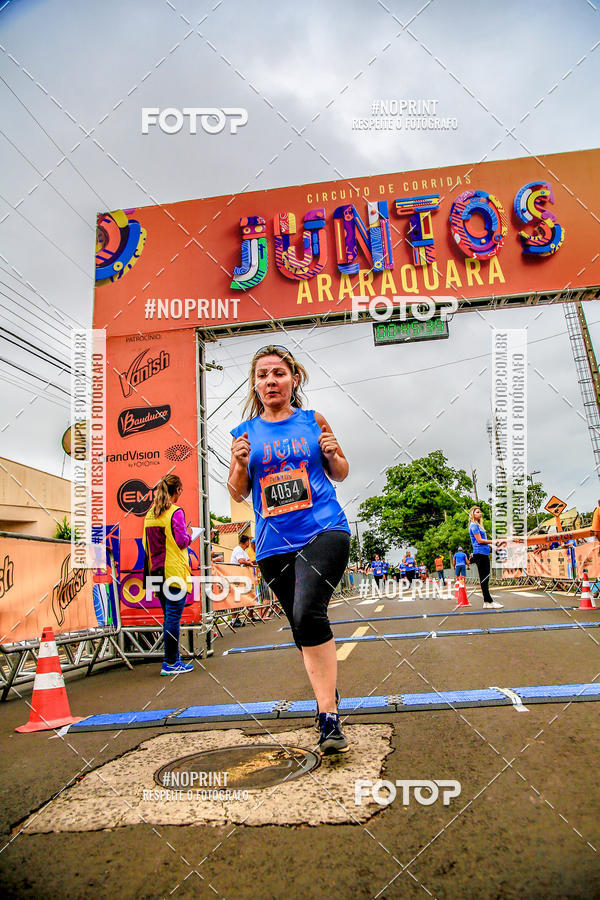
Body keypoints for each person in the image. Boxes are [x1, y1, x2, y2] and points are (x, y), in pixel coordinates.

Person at [229, 344, 351, 755]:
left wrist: (333, 454)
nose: (270, 381)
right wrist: (240, 464)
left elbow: (341, 472)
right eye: (262, 375)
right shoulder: (245, 432)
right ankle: (329, 692)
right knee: (303, 629)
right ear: (255, 384)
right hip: (272, 546)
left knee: (306, 612)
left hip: (324, 530)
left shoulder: (312, 420)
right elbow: (237, 490)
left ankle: (328, 716)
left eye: (278, 373)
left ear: (293, 379)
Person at [143, 473, 194, 675]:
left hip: (154, 571)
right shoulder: (175, 512)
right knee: (173, 618)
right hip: (173, 571)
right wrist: (191, 536)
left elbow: (146, 543)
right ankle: (171, 662)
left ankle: (173, 659)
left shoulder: (150, 514)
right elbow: (182, 541)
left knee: (168, 617)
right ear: (178, 490)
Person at [468, 506, 503, 609]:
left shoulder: (478, 525)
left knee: (485, 578)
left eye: (480, 512)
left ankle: (487, 601)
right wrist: (493, 541)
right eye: (477, 512)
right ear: (473, 514)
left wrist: (493, 546)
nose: (480, 514)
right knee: (484, 578)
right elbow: (479, 541)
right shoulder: (474, 525)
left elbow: (483, 541)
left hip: (484, 553)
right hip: (480, 554)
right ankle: (488, 601)